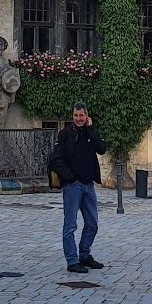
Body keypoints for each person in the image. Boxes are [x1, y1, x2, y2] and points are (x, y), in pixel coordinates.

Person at [49, 103, 106, 274]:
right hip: (73, 186)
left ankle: (84, 254)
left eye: (81, 116)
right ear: (72, 116)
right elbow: (55, 159)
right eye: (75, 116)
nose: (78, 119)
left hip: (89, 185)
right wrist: (70, 177)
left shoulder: (90, 133)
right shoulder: (65, 134)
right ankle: (72, 261)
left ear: (86, 116)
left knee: (92, 224)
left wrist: (91, 130)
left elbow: (102, 149)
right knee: (70, 225)